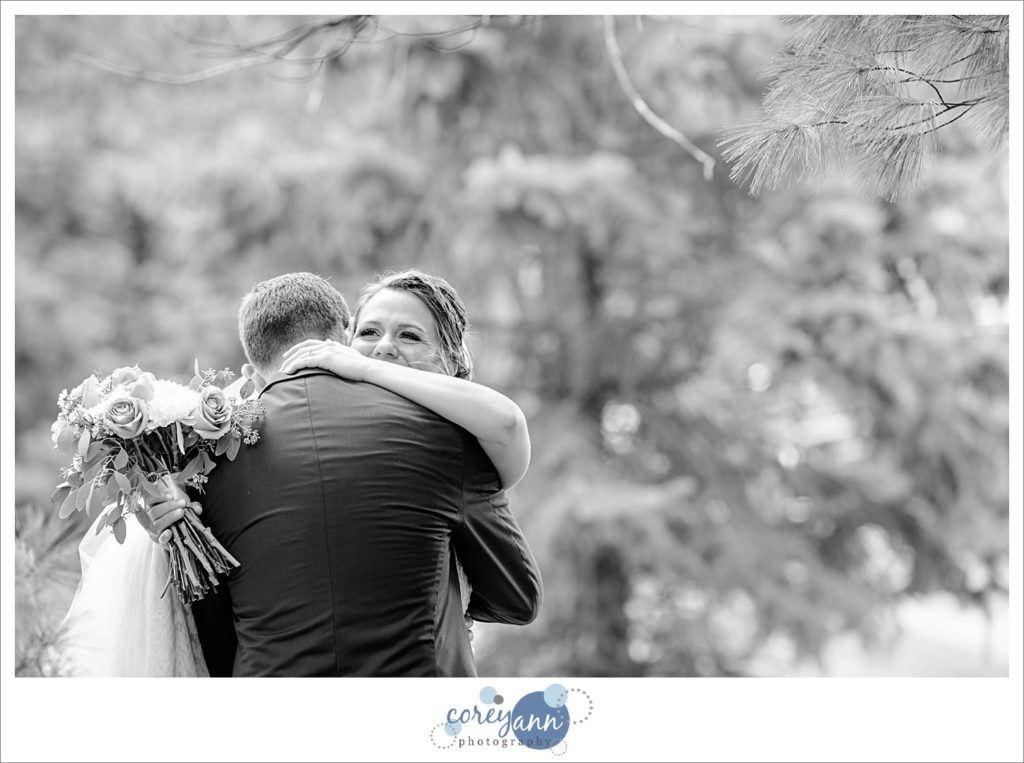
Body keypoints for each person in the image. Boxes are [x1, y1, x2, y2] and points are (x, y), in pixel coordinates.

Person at [151, 271, 541, 676]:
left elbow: (212, 640)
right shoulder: (447, 442)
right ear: (342, 339)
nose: (383, 351)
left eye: (410, 337)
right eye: (369, 332)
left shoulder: (213, 460)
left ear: (453, 360)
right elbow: (516, 597)